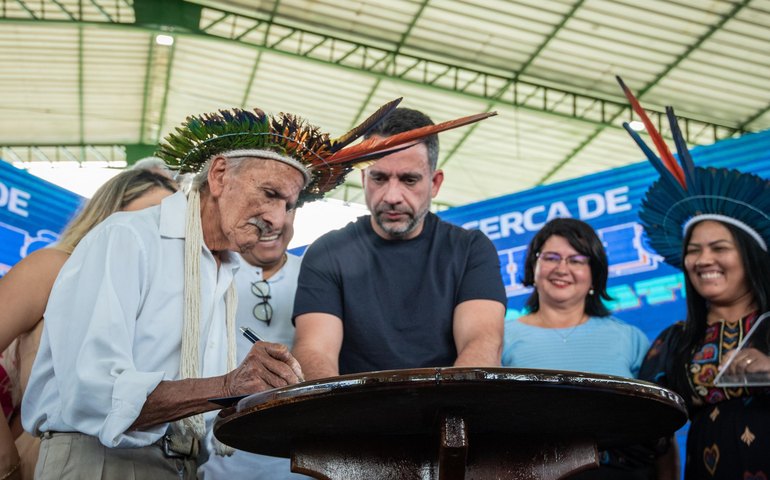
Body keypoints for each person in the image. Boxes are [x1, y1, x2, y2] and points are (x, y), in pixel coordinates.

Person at [22, 102, 492, 479]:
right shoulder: (126, 239)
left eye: (290, 205)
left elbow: (482, 345)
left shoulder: (221, 270)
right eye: (270, 194)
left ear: (435, 183)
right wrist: (229, 387)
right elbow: (91, 392)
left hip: (184, 465)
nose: (279, 220)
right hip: (102, 464)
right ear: (220, 174)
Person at [618, 77, 770, 479]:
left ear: (750, 256)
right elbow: (645, 434)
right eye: (693, 250)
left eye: (719, 248)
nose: (704, 260)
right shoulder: (675, 341)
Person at [292, 107, 507, 380]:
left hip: (446, 412)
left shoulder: (470, 250)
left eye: (409, 180)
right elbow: (314, 352)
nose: (392, 195)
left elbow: (483, 345)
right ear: (363, 178)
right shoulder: (327, 253)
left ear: (435, 183)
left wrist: (444, 412)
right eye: (379, 178)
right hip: (354, 414)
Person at [0, 169, 178, 480]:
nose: (155, 228)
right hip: (43, 461)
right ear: (108, 212)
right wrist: (7, 461)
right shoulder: (52, 267)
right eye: (150, 214)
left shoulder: (156, 298)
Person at [501, 217, 654, 479]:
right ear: (533, 267)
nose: (562, 268)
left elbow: (658, 431)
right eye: (551, 257)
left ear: (594, 274)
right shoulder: (501, 337)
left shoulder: (630, 338)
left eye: (576, 260)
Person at [199, 208, 310, 479]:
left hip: (295, 452)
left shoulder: (314, 275)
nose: (272, 223)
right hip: (219, 450)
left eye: (288, 209)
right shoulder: (212, 271)